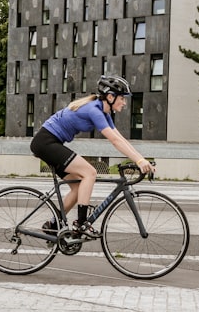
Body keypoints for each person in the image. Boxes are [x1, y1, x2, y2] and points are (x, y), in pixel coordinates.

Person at [30, 75, 155, 238]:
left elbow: (121, 139)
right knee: (90, 173)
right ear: (110, 97)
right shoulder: (94, 110)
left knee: (78, 187)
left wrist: (141, 159)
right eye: (122, 99)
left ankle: (53, 224)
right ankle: (81, 224)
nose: (124, 103)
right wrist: (139, 160)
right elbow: (115, 141)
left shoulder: (103, 112)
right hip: (45, 142)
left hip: (51, 143)